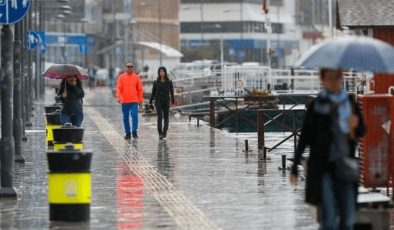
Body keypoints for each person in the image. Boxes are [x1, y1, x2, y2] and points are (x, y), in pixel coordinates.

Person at [290, 68, 366, 230]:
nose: (333, 82)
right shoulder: (316, 106)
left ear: (341, 79)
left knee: (348, 217)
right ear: (322, 80)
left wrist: (355, 126)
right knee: (329, 218)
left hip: (346, 165)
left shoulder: (350, 103)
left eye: (337, 78)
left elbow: (361, 131)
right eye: (329, 78)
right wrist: (295, 166)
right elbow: (305, 138)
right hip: (323, 168)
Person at [116, 62, 144, 139]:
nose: (130, 68)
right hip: (124, 101)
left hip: (134, 101)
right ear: (126, 67)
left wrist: (140, 101)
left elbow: (140, 89)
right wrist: (118, 97)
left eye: (131, 66)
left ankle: (134, 131)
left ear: (133, 68)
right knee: (125, 118)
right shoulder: (121, 77)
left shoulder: (137, 77)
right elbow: (118, 87)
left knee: (134, 115)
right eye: (128, 66)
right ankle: (128, 133)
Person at [149, 67, 175, 140]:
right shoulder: (156, 82)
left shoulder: (169, 82)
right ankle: (160, 133)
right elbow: (153, 93)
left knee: (166, 117)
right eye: (160, 71)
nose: (162, 73)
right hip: (158, 101)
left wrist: (173, 101)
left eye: (163, 71)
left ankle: (165, 131)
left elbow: (172, 92)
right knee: (160, 117)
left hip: (166, 101)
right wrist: (150, 101)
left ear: (165, 72)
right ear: (158, 73)